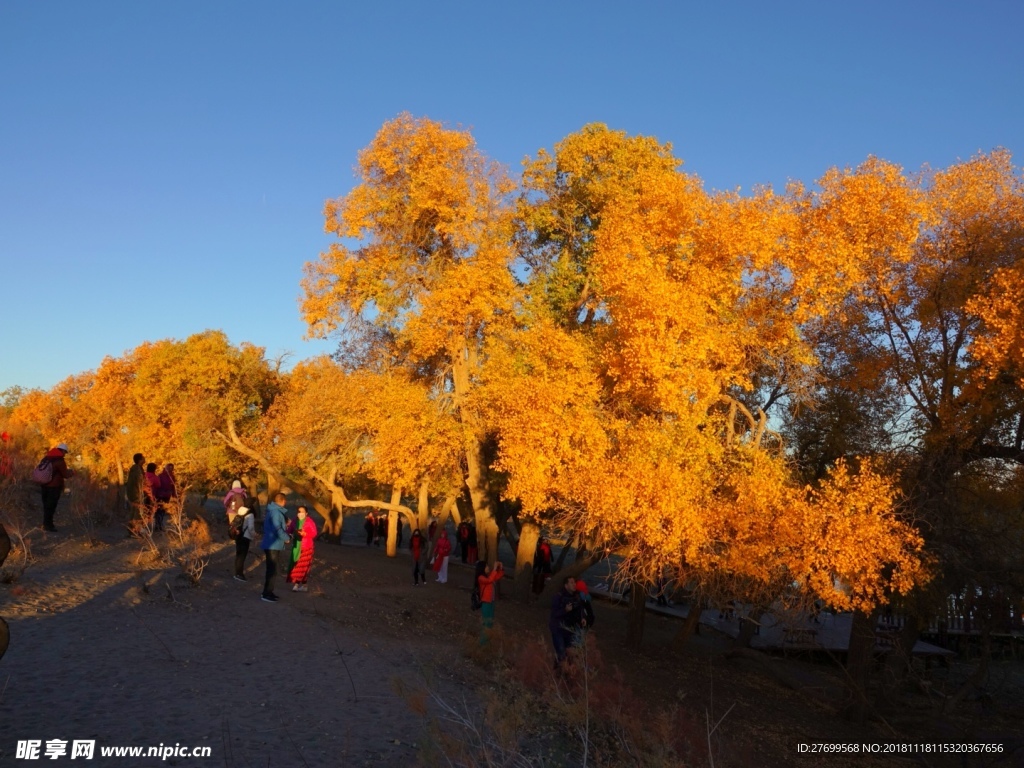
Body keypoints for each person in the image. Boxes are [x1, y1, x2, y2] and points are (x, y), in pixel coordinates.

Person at [261, 493, 290, 603]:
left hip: (272, 543)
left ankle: (269, 591)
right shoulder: (276, 513)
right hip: (272, 544)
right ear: (283, 501)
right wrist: (286, 538)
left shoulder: (272, 511)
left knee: (272, 569)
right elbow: (277, 529)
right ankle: (266, 593)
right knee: (272, 570)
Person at [38, 443, 74, 532]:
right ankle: (48, 526)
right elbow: (65, 474)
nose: (65, 454)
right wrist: (72, 472)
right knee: (51, 506)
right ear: (62, 451)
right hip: (54, 487)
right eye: (65, 452)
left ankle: (45, 524)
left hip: (44, 485)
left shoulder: (46, 458)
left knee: (46, 506)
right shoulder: (60, 461)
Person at [549, 576, 582, 667]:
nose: (574, 585)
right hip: (558, 629)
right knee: (561, 652)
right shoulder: (558, 597)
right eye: (571, 583)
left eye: (574, 582)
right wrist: (565, 610)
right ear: (566, 585)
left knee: (569, 654)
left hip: (570, 630)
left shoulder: (577, 597)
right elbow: (554, 614)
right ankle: (558, 673)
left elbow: (579, 612)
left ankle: (564, 673)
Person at [286, 506, 318, 592]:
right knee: (300, 565)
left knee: (301, 565)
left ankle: (296, 585)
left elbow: (314, 533)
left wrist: (305, 534)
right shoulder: (294, 521)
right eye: (299, 511)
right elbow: (289, 530)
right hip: (296, 546)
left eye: (302, 511)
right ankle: (304, 585)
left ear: (306, 513)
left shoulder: (310, 522)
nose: (300, 513)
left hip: (307, 547)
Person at [477, 560, 504, 645]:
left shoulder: (488, 576)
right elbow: (489, 580)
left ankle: (487, 641)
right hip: (486, 602)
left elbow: (498, 576)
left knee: (490, 622)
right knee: (486, 623)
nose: (488, 567)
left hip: (491, 602)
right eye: (486, 566)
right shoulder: (481, 578)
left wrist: (500, 568)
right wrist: (495, 568)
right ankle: (482, 643)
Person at [232, 506, 255, 581]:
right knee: (242, 556)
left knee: (238, 555)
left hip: (238, 536)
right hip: (245, 537)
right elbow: (251, 528)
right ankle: (239, 574)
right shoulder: (250, 515)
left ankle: (237, 572)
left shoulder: (240, 511)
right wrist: (254, 535)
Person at [144, 463, 163, 531]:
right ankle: (149, 527)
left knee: (143, 510)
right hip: (151, 496)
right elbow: (158, 485)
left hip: (142, 495)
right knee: (150, 511)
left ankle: (142, 526)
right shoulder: (155, 477)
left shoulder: (143, 475)